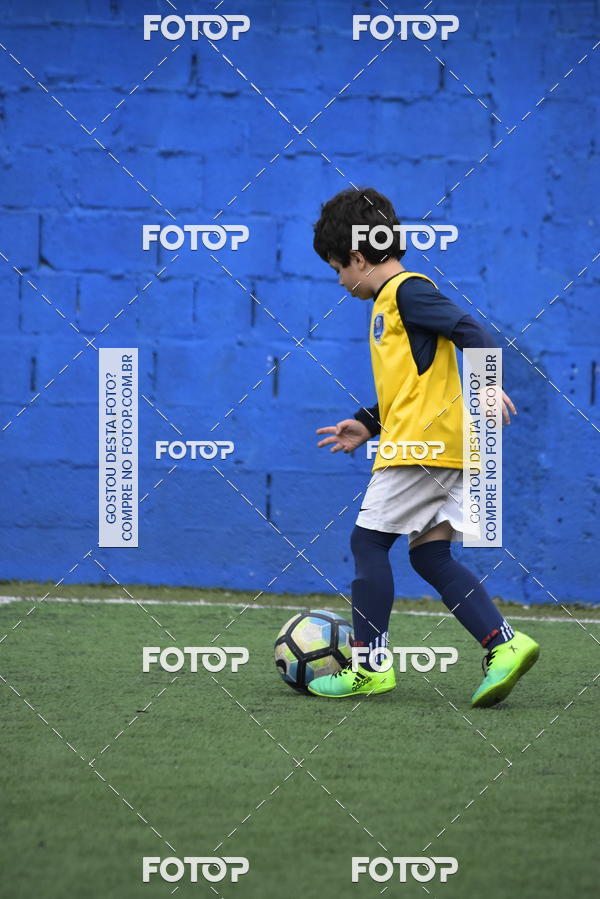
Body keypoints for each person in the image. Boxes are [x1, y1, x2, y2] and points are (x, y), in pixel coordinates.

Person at [307, 187, 539, 706]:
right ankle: (504, 643)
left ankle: (369, 666)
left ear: (359, 258)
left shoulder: (407, 291)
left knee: (368, 545)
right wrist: (368, 421)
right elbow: (414, 382)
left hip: (420, 447)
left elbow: (472, 331)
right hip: (447, 447)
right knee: (430, 555)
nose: (340, 282)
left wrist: (485, 386)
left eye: (338, 269)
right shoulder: (393, 303)